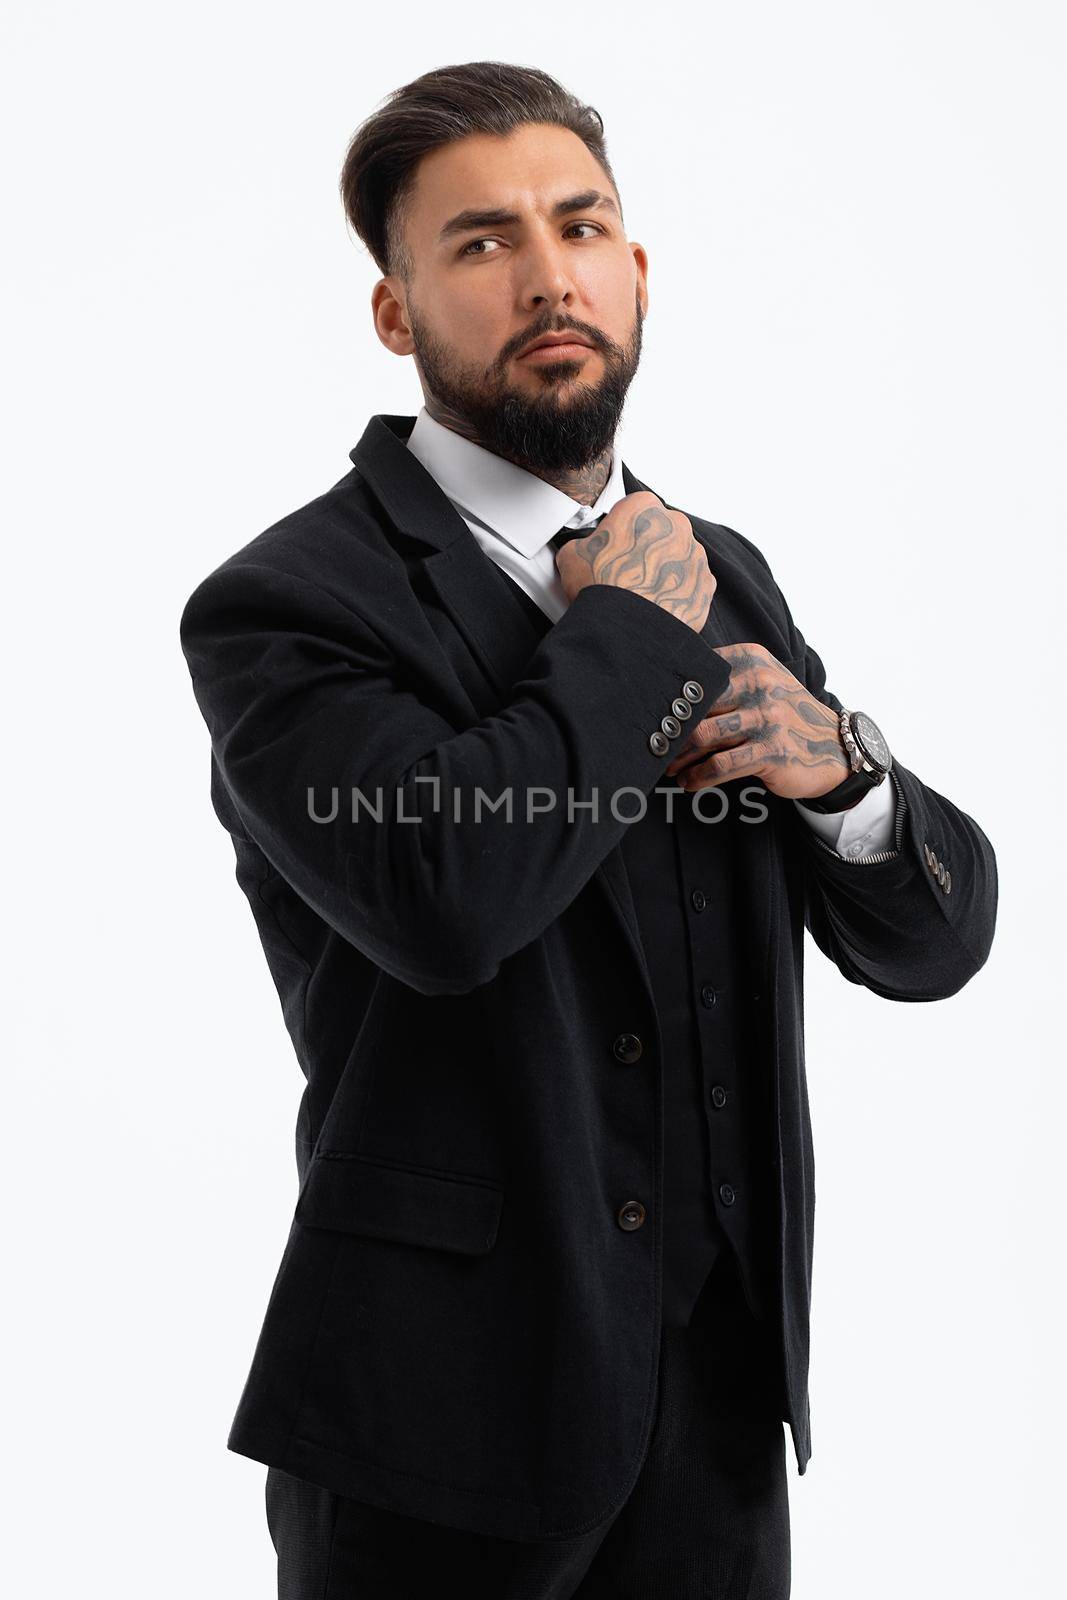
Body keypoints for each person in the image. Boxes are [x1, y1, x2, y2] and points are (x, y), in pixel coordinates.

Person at [178, 60, 998, 1599]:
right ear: (396, 312)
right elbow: (444, 897)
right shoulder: (287, 603)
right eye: (481, 242)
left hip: (720, 1417)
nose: (548, 274)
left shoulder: (722, 568)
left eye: (581, 224)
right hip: (438, 1415)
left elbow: (939, 942)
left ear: (636, 270)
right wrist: (620, 630)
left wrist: (850, 783)